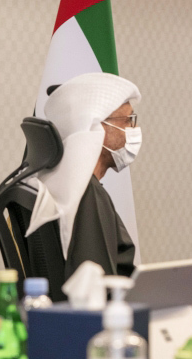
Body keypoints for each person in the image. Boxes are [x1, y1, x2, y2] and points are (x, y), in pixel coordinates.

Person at [25, 72, 142, 279]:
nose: (135, 129)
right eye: (128, 120)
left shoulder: (61, 184)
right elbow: (98, 286)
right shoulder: (87, 195)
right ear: (97, 126)